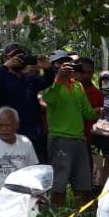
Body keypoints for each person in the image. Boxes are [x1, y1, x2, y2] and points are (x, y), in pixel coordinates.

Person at [41, 51, 98, 206]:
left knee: (82, 184)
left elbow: (86, 111)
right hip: (60, 139)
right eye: (60, 63)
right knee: (58, 185)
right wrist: (59, 78)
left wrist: (99, 112)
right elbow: (48, 99)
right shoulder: (48, 84)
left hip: (79, 139)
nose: (65, 66)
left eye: (67, 62)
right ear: (53, 66)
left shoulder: (77, 85)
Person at [0, 43, 54, 163]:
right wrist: (5, 67)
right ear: (6, 58)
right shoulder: (0, 78)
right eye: (14, 57)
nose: (19, 59)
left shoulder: (29, 79)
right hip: (10, 136)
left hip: (33, 135)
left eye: (22, 56)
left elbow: (47, 81)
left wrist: (48, 68)